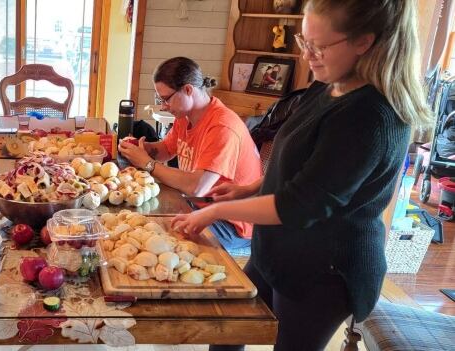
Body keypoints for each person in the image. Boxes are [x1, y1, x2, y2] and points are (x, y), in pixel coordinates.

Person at [171, 0, 433, 349]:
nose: (308, 55)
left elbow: (301, 204)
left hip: (324, 271)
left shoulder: (370, 117)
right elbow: (300, 166)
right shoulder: (329, 85)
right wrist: (248, 188)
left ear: (364, 42)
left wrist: (216, 210)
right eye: (303, 41)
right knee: (227, 332)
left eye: (319, 46)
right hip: (277, 249)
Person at [119, 57, 263, 250]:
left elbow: (197, 188)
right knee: (138, 218)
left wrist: (148, 164)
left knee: (158, 241)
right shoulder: (185, 115)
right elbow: (167, 150)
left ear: (188, 90)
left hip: (231, 223)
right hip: (199, 205)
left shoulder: (222, 126)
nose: (163, 106)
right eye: (160, 100)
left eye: (165, 99)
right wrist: (144, 149)